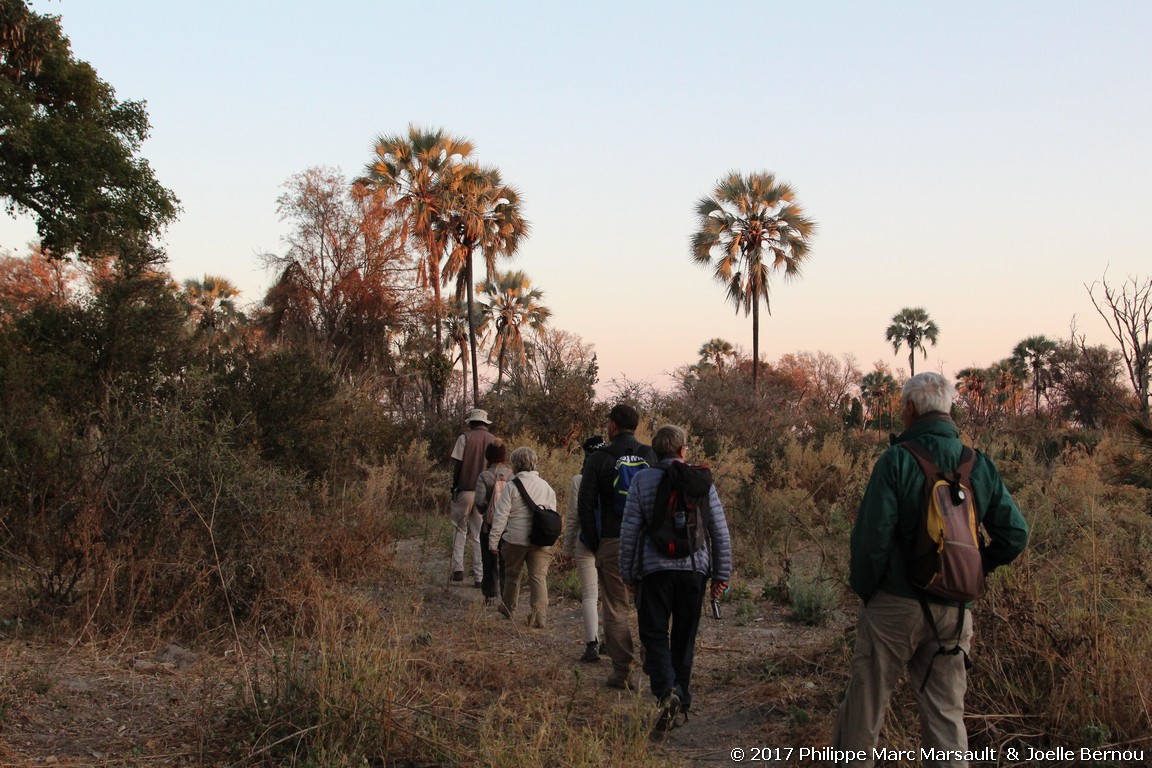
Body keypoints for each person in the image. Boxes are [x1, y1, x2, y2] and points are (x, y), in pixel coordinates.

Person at [831, 372, 1029, 767]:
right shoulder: (978, 464)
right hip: (955, 612)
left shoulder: (897, 460)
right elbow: (1015, 534)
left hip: (893, 607)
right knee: (945, 718)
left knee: (864, 715)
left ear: (909, 409)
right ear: (948, 409)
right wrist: (974, 569)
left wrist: (868, 591)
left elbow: (872, 540)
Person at [619, 424, 732, 734]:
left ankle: (667, 691)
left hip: (654, 573)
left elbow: (629, 532)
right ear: (683, 450)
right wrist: (721, 574)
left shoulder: (642, 480)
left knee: (654, 635)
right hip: (694, 571)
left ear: (654, 453)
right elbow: (718, 531)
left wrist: (628, 574)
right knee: (684, 638)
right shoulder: (701, 481)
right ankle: (680, 702)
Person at [578, 403, 656, 690]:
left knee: (615, 609)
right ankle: (654, 658)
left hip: (613, 540)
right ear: (636, 425)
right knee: (649, 606)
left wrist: (596, 543)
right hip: (647, 545)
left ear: (612, 425)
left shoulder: (599, 458)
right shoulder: (651, 454)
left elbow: (586, 504)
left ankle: (623, 673)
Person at [488, 446, 559, 629]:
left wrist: (493, 541)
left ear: (515, 465)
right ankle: (539, 617)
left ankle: (509, 608)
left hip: (515, 539)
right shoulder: (546, 486)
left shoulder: (511, 486)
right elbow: (552, 513)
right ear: (534, 463)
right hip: (540, 540)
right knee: (538, 577)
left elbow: (501, 516)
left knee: (513, 575)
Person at [561, 435, 607, 663]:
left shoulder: (579, 480)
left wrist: (566, 547)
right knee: (611, 594)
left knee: (590, 595)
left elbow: (572, 518)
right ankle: (611, 640)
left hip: (585, 541)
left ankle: (592, 643)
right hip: (611, 541)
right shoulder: (614, 475)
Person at [449, 408, 498, 586]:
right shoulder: (493, 440)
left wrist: (454, 487)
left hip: (464, 490)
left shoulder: (464, 438)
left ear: (471, 422)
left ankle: (458, 569)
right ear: (485, 423)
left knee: (460, 530)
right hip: (483, 494)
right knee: (478, 535)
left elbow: (458, 466)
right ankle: (479, 577)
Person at [474, 439, 512, 604]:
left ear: (487, 456)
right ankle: (507, 596)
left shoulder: (484, 476)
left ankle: (490, 594)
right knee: (506, 563)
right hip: (508, 527)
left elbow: (480, 504)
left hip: (489, 526)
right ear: (504, 456)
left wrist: (487, 510)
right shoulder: (512, 475)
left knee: (488, 561)